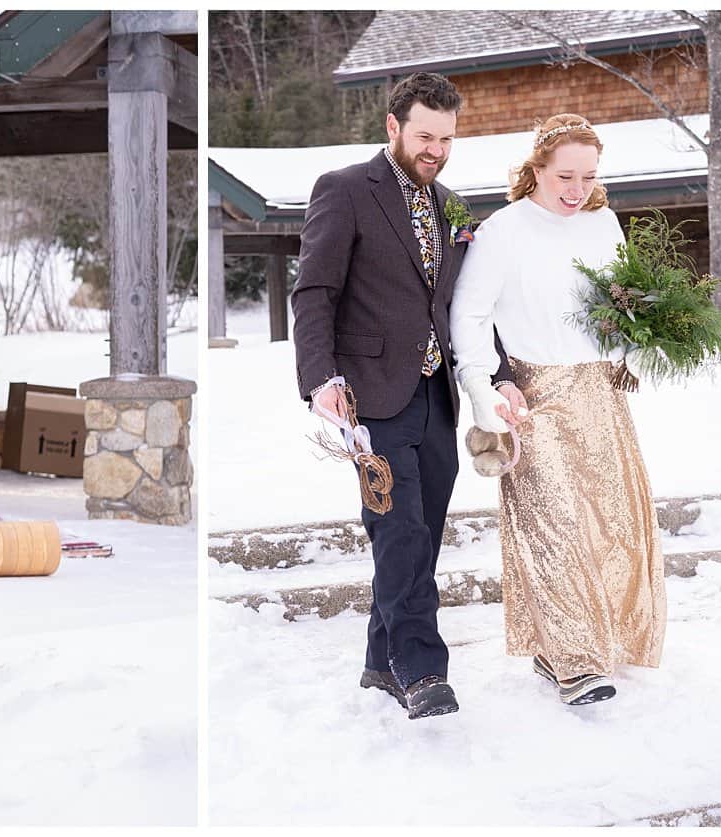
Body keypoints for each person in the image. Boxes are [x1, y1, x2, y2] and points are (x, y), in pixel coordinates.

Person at [290, 72, 517, 720]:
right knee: (398, 532)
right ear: (393, 126)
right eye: (425, 135)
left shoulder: (449, 202)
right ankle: (421, 670)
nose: (437, 149)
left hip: (435, 398)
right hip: (369, 398)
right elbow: (313, 294)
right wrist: (320, 379)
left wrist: (498, 374)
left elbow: (461, 303)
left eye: (447, 138)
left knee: (423, 536)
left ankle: (377, 660)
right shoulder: (343, 191)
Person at [449, 114, 664, 706]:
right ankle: (573, 661)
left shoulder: (604, 223)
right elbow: (468, 316)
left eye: (588, 176)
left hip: (602, 393)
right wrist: (483, 386)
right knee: (554, 525)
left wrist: (641, 335)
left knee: (612, 524)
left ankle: (589, 641)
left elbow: (617, 297)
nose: (577, 189)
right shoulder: (503, 231)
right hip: (534, 398)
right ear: (536, 169)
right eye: (565, 175)